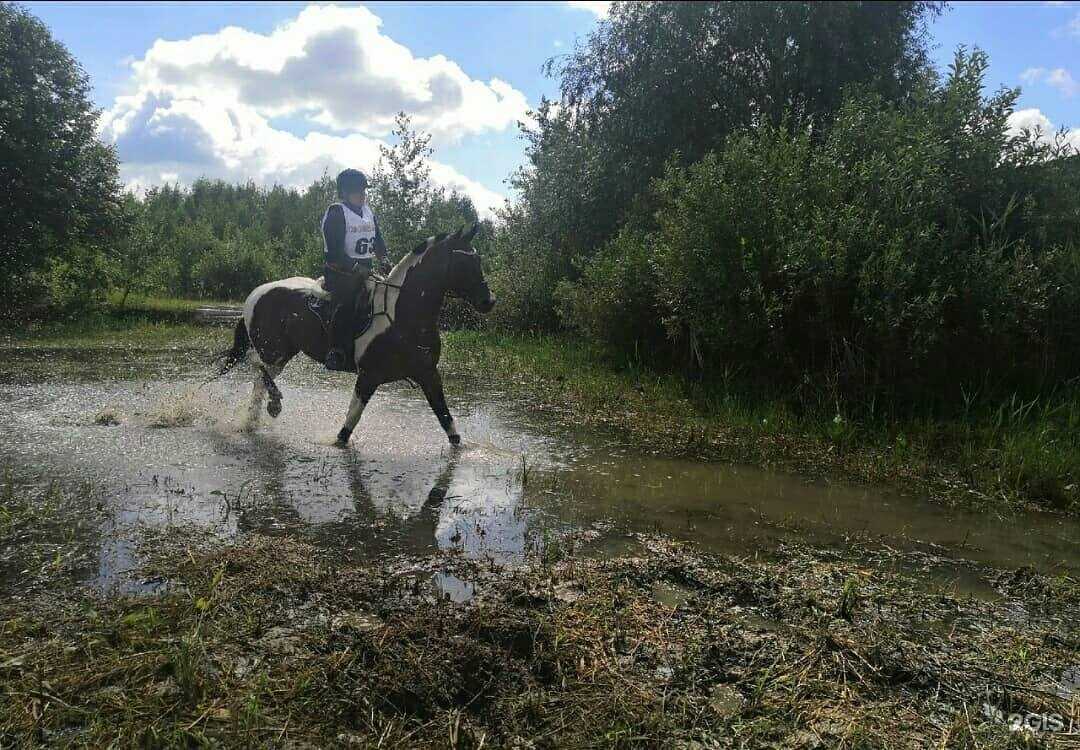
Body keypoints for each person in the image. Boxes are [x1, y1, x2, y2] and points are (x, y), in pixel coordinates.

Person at [322, 168, 389, 372]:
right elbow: (334, 252)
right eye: (356, 191)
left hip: (365, 271)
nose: (362, 194)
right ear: (344, 193)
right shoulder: (336, 213)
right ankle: (335, 351)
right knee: (348, 302)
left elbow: (378, 241)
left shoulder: (368, 212)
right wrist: (354, 267)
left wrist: (384, 259)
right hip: (340, 273)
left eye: (363, 190)